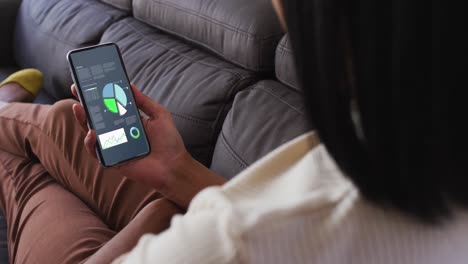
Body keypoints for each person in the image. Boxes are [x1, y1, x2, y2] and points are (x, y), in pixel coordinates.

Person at [1, 0, 466, 263]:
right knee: (63, 120)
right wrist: (178, 173)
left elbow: (272, 226)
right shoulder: (404, 146)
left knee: (21, 173)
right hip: (190, 204)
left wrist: (173, 222)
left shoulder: (237, 239)